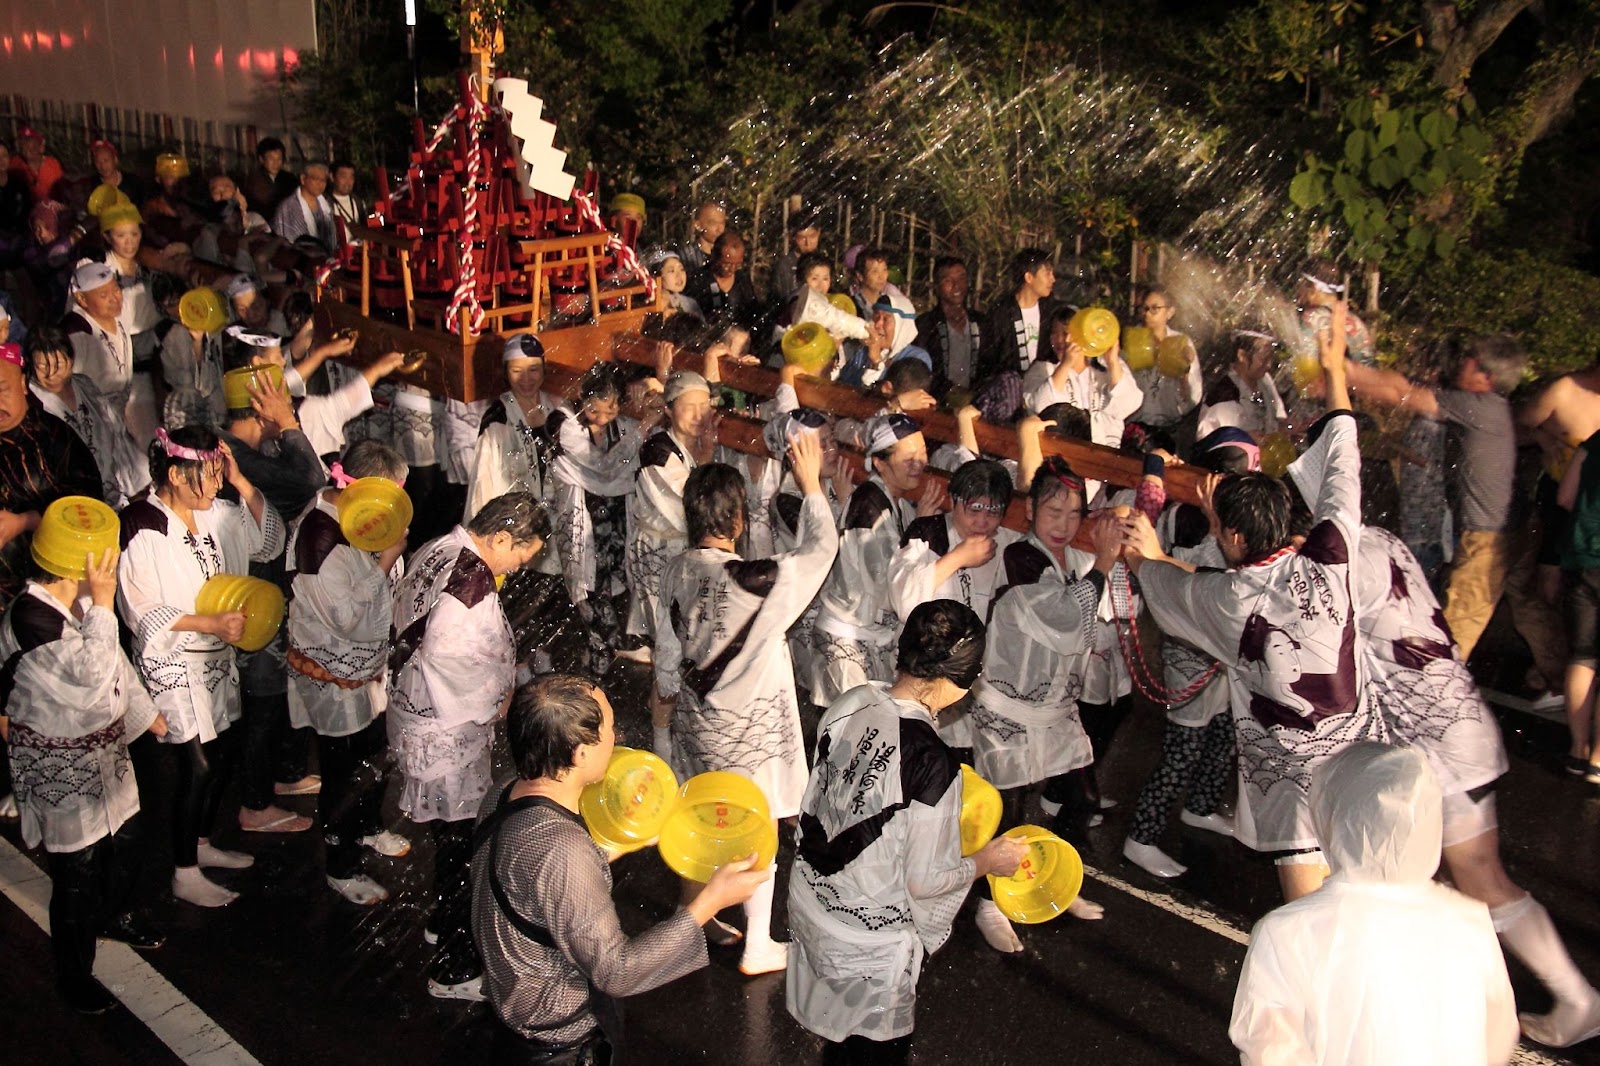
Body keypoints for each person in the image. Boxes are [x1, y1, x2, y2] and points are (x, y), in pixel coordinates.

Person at [1121, 304, 1381, 902]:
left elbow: (1157, 575)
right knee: (1356, 891)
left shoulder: (1230, 600)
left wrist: (1154, 536)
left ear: (1232, 535)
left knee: (1309, 912)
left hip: (1290, 776)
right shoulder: (1330, 551)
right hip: (1353, 753)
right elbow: (1344, 451)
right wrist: (1336, 368)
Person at [1353, 521, 1600, 1047]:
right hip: (1455, 720)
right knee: (1437, 877)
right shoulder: (1380, 538)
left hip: (1436, 740)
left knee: (1476, 879)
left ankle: (1574, 999)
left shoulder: (1339, 561)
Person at [473, 674, 770, 1064]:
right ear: (579, 754)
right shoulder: (562, 851)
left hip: (511, 1014)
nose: (618, 734)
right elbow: (618, 972)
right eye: (610, 728)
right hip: (558, 1042)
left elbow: (535, 883)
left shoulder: (504, 791)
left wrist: (622, 841)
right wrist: (710, 902)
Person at [788, 600, 1029, 1064]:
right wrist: (987, 861)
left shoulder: (851, 700)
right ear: (961, 681)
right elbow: (925, 881)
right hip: (863, 937)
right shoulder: (933, 762)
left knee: (839, 1042)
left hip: (811, 900)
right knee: (873, 1049)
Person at [653, 429, 839, 975]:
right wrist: (811, 486)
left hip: (696, 722)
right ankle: (759, 944)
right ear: (738, 522)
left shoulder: (676, 569)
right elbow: (821, 549)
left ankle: (698, 914)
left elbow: (667, 657)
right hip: (752, 732)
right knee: (756, 830)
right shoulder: (758, 578)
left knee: (700, 818)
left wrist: (662, 720)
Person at [1229, 742, 1517, 1066]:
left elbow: (1272, 1050)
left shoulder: (1286, 931)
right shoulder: (1469, 919)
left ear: (1331, 816)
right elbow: (1498, 1032)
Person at [387, 491, 547, 1000]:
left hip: (418, 709)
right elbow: (448, 656)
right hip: (445, 724)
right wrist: (494, 699)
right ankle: (453, 966)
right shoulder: (472, 579)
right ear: (501, 537)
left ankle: (441, 922)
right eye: (521, 555)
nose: (520, 568)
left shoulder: (441, 548)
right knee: (461, 843)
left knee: (449, 835)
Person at [118, 426, 285, 908]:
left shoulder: (215, 511)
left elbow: (268, 541)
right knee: (198, 763)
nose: (216, 485)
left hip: (216, 653)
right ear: (175, 473)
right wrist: (208, 621)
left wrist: (242, 480)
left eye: (218, 474)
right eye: (208, 475)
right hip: (173, 658)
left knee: (225, 753)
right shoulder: (141, 523)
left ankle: (202, 843)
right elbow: (141, 610)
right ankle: (182, 870)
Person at [3, 534, 167, 1013]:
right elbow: (94, 673)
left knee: (128, 839)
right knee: (75, 873)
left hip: (102, 753)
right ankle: (73, 978)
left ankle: (112, 915)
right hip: (60, 764)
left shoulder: (72, 604)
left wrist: (145, 711)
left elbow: (115, 662)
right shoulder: (32, 617)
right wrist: (101, 603)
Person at [1342, 335, 1561, 674]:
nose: (1461, 364)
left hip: (1490, 537)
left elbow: (1404, 393)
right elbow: (1407, 386)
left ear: (1485, 375)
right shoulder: (1494, 405)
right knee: (1528, 605)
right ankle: (1559, 678)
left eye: (1470, 359)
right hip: (1520, 525)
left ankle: (1438, 697)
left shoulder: (1478, 404)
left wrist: (1346, 372)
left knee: (1458, 623)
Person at [966, 456, 1114, 952]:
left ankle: (1054, 882)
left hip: (1052, 711)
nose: (1064, 525)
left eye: (1074, 515)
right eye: (1054, 512)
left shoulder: (1069, 560)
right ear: (1030, 510)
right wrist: (1107, 566)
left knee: (1082, 800)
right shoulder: (1020, 556)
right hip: (1009, 710)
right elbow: (1065, 615)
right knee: (1011, 815)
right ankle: (990, 904)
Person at [287, 440, 413, 906]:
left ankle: (367, 827)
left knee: (375, 750)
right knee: (342, 767)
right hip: (332, 669)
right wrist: (384, 561)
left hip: (367, 666)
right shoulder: (319, 536)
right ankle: (339, 863)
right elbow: (346, 619)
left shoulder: (365, 518)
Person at [811, 413, 939, 706]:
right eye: (908, 457)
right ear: (880, 462)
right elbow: (890, 590)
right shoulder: (870, 507)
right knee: (855, 733)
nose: (919, 462)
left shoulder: (896, 503)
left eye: (922, 452)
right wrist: (920, 531)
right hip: (848, 635)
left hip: (866, 635)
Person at [549, 363, 660, 675]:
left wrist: (653, 394)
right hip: (585, 522)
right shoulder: (565, 425)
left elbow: (628, 460)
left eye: (612, 406)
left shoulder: (622, 425)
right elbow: (606, 467)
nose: (606, 414)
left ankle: (608, 652)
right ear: (584, 399)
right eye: (599, 406)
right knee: (589, 593)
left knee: (619, 585)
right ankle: (597, 662)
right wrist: (643, 427)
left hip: (615, 520)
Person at [627, 369, 719, 672]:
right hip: (661, 549)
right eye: (688, 406)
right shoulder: (658, 451)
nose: (698, 415)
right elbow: (691, 505)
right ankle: (663, 709)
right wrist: (706, 458)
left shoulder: (705, 443)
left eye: (704, 406)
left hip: (687, 552)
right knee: (668, 633)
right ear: (668, 410)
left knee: (690, 630)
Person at [0, 340, 103, 607]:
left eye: (2, 390)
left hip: (60, 586)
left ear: (23, 384)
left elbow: (89, 507)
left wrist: (26, 521)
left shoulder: (53, 436)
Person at [26, 327, 148, 508]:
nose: (52, 374)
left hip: (112, 494)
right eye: (42, 366)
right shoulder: (31, 403)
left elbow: (116, 435)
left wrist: (137, 486)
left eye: (59, 364)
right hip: (69, 503)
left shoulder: (85, 385)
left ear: (72, 359)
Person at [1024, 305, 1141, 448]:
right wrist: (1065, 365)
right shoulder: (1042, 368)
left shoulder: (1107, 367)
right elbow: (1041, 406)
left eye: (1067, 332)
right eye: (1055, 333)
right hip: (1063, 451)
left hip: (1107, 452)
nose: (1062, 340)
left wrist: (1112, 362)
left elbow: (1129, 404)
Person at [975, 248, 1060, 387]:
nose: (1053, 279)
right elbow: (989, 359)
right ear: (1029, 277)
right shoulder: (1001, 313)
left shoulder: (1050, 311)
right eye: (1047, 273)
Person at [1128, 285, 1202, 433]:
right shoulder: (1130, 340)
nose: (1148, 314)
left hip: (1168, 428)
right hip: (1134, 426)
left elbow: (1193, 396)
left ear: (1170, 312)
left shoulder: (1181, 342)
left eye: (1155, 309)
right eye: (1144, 308)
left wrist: (1184, 371)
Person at [1195, 329, 1287, 440]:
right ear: (1242, 355)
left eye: (1271, 357)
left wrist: (1287, 427)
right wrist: (1243, 440)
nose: (1268, 365)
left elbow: (1278, 418)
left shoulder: (1264, 380)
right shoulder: (1223, 396)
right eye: (1263, 358)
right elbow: (1207, 443)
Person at [913, 256, 982, 398]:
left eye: (961, 278)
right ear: (936, 287)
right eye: (948, 281)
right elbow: (922, 370)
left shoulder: (980, 322)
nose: (957, 286)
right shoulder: (926, 324)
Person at [687, 231, 760, 330]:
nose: (732, 269)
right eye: (727, 264)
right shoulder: (698, 280)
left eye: (738, 264)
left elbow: (752, 313)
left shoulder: (742, 280)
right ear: (713, 255)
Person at [270, 162, 336, 250]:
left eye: (323, 180)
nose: (320, 184)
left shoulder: (326, 204)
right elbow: (288, 243)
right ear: (303, 179)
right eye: (316, 179)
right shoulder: (288, 207)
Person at [769, 212, 821, 306]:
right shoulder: (784, 266)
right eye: (802, 238)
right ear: (792, 237)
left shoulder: (823, 263)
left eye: (812, 236)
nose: (808, 243)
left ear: (818, 233)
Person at [242, 137, 298, 218]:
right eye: (271, 159)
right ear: (261, 159)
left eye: (279, 159)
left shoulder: (290, 178)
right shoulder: (253, 179)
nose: (276, 163)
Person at [9, 127, 63, 204]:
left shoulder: (52, 164)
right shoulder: (15, 163)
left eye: (29, 141)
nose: (25, 146)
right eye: (23, 142)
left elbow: (61, 190)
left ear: (41, 147)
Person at [677, 201, 726, 275]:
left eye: (722, 223)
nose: (720, 229)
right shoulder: (687, 255)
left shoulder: (726, 255)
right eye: (713, 223)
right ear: (698, 225)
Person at [326, 161, 366, 244]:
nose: (348, 182)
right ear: (332, 177)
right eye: (343, 177)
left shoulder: (359, 202)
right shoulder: (324, 203)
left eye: (351, 177)